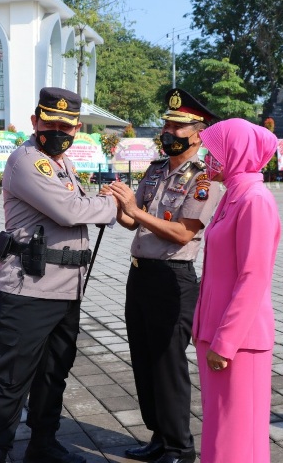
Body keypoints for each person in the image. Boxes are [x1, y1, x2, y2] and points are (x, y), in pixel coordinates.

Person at [0, 87, 117, 463]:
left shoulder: (61, 162)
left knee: (54, 374)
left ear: (77, 129)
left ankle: (43, 443)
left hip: (64, 290)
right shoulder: (27, 161)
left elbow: (77, 206)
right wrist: (113, 202)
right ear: (35, 121)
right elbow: (70, 210)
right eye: (50, 123)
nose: (59, 131)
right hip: (28, 290)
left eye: (67, 126)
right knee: (12, 380)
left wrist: (97, 203)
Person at [107, 88, 221, 463]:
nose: (169, 132)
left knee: (167, 363)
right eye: (167, 125)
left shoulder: (205, 179)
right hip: (140, 274)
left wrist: (134, 213)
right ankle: (157, 436)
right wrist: (118, 202)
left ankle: (179, 447)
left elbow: (183, 233)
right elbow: (130, 220)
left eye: (178, 127)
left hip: (174, 280)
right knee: (142, 358)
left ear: (198, 133)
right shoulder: (156, 170)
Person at [192, 118, 281, 463]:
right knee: (221, 430)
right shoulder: (234, 195)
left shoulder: (254, 201)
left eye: (213, 151)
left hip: (238, 342)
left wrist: (225, 341)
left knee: (237, 436)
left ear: (235, 152)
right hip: (217, 336)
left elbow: (253, 277)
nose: (206, 157)